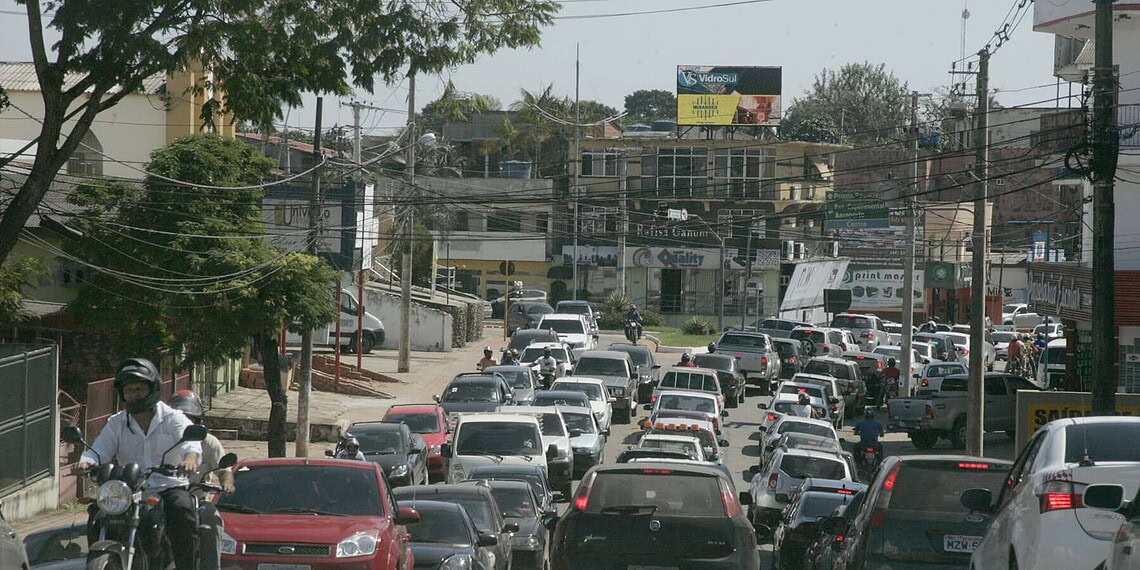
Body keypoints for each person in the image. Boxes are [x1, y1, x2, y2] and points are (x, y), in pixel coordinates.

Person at [77, 358, 202, 570]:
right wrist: (86, 463)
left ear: (153, 389)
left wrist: (189, 459)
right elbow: (99, 451)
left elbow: (191, 444)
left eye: (140, 389)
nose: (134, 394)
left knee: (182, 509)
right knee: (97, 514)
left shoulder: (173, 418)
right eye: (129, 390)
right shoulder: (117, 422)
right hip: (129, 491)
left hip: (167, 487)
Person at [168, 390, 234, 570]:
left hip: (197, 501)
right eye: (180, 417)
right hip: (164, 499)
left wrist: (227, 483)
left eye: (190, 418)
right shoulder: (162, 439)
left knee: (213, 520)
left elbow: (224, 470)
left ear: (198, 421)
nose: (185, 423)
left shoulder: (209, 442)